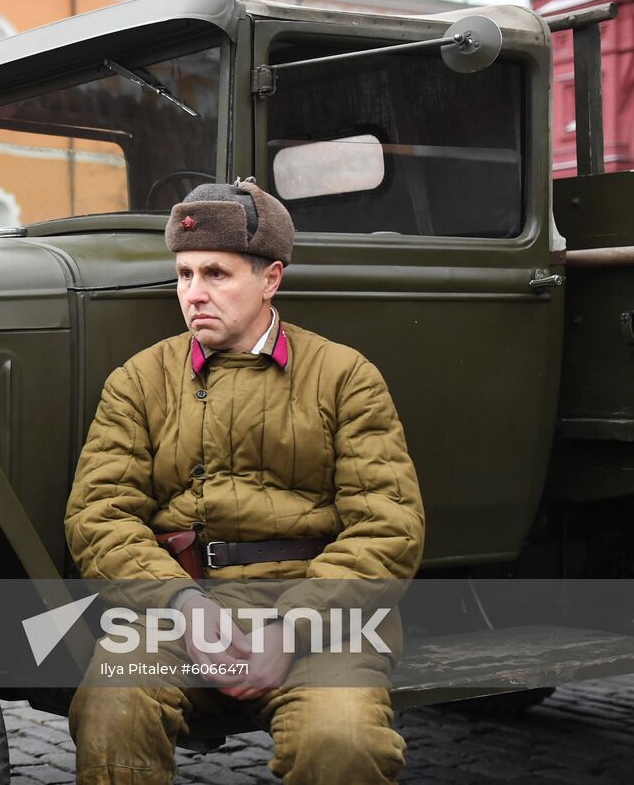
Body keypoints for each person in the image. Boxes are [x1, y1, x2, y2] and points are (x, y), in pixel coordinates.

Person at [64, 180, 425, 784]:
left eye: (216, 274)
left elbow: (389, 526)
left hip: (321, 621)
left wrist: (293, 627)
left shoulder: (344, 377)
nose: (194, 294)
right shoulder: (139, 379)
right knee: (111, 710)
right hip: (177, 615)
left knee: (344, 743)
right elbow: (98, 516)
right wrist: (182, 607)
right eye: (183, 274)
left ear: (271, 279)